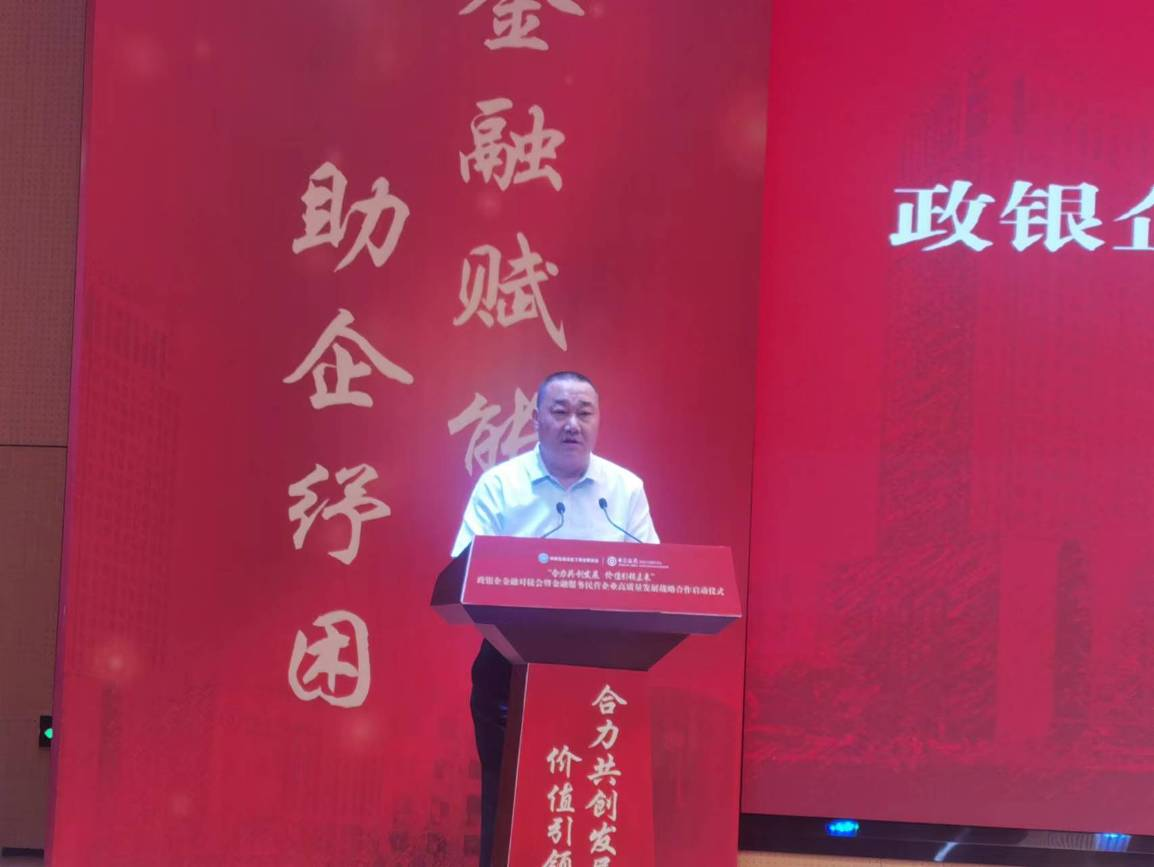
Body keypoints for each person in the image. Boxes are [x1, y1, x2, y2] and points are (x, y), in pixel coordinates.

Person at [450, 370, 659, 867]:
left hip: (602, 676)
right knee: (511, 803)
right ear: (537, 419)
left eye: (584, 413)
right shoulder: (501, 486)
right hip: (509, 671)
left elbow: (653, 575)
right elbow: (464, 572)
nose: (572, 424)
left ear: (598, 421)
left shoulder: (624, 490)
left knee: (591, 802)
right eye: (560, 411)